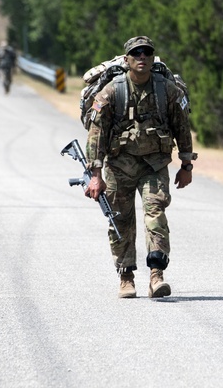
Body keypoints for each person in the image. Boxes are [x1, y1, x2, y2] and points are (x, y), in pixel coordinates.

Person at [83, 36, 196, 299]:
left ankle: (157, 276)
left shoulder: (167, 90)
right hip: (118, 166)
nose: (142, 57)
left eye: (147, 52)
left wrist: (186, 164)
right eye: (136, 53)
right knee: (120, 219)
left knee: (155, 212)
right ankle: (126, 277)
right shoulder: (112, 91)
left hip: (154, 164)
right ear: (127, 60)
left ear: (153, 57)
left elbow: (182, 126)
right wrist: (96, 175)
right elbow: (96, 134)